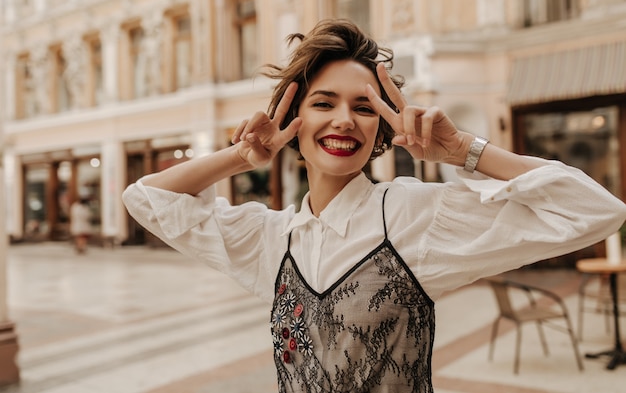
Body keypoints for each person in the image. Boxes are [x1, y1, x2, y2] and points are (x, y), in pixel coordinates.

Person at [123, 19, 626, 393]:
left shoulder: (413, 216)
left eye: (363, 108)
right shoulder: (273, 237)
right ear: (292, 120)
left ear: (382, 128)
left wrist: (463, 152)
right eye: (324, 103)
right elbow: (147, 199)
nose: (344, 120)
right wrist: (240, 157)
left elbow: (595, 210)